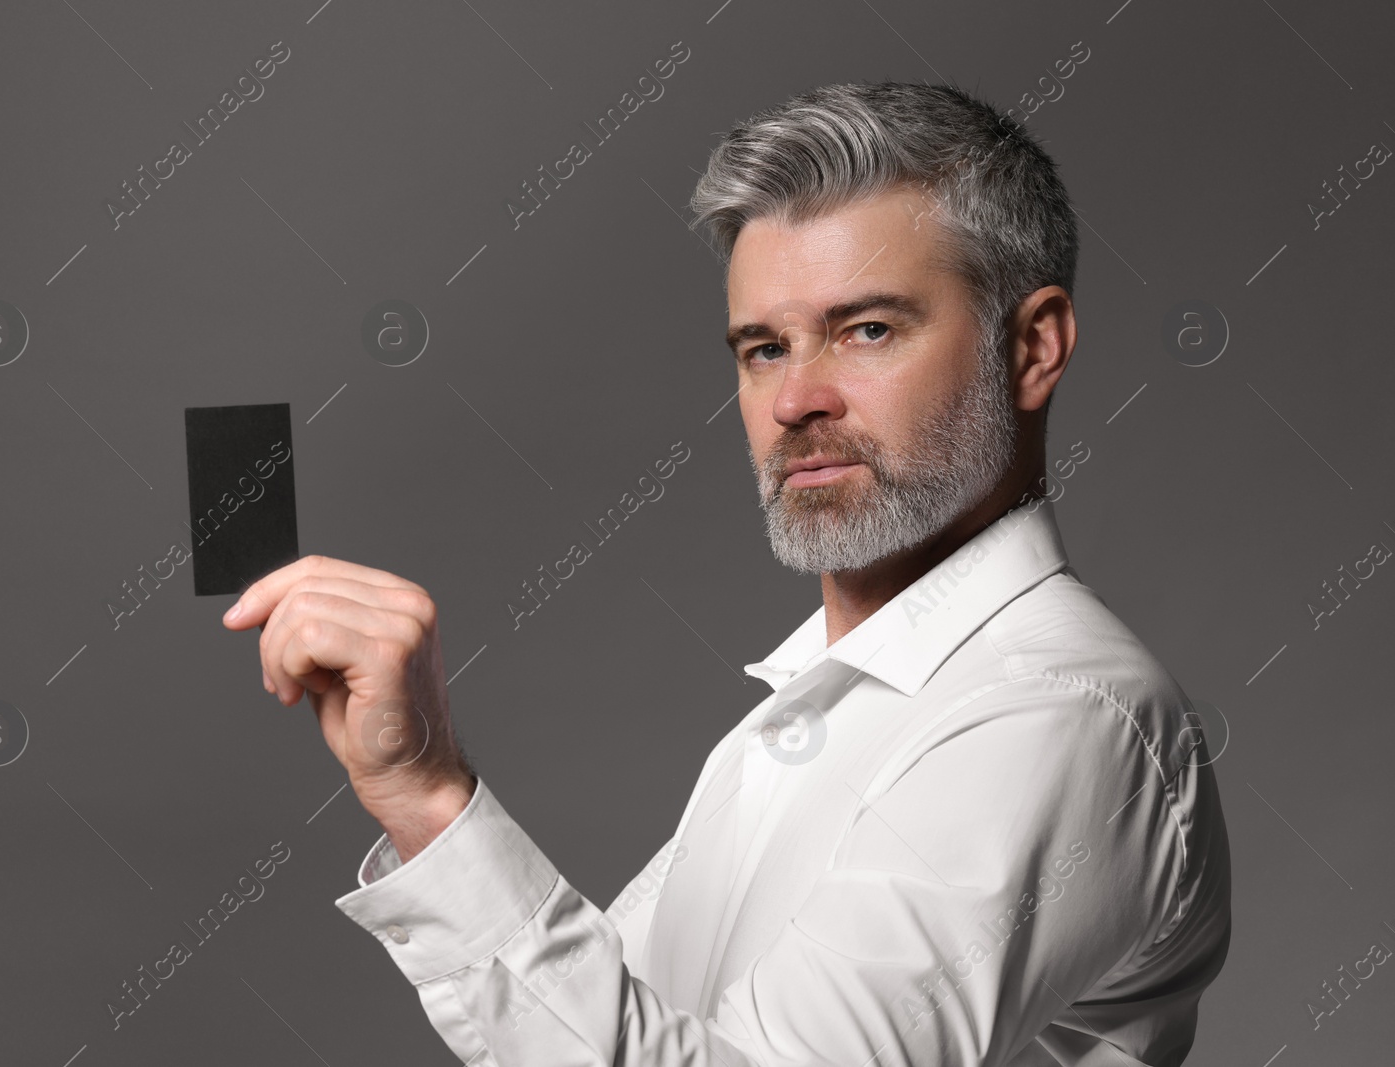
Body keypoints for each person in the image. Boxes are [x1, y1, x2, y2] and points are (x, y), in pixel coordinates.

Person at [221, 81, 1231, 1066]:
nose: (794, 398)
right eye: (762, 347)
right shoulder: (822, 710)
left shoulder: (1050, 712)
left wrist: (433, 798)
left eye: (865, 328)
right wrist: (412, 787)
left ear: (1033, 346)